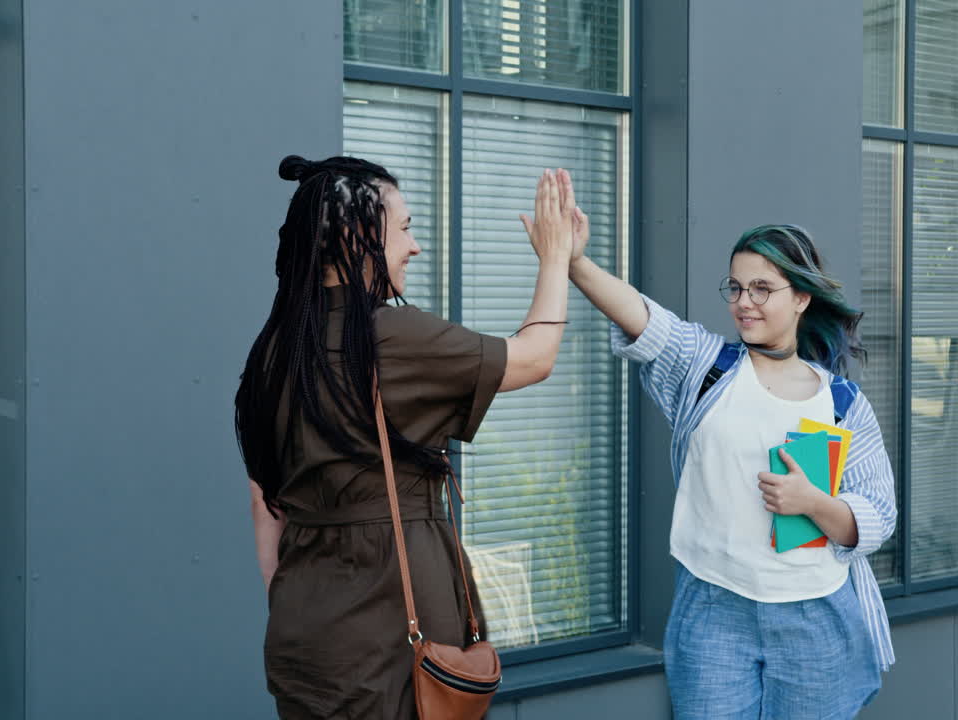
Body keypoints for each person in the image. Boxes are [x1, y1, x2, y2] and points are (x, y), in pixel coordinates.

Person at [234, 155, 574, 719]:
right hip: (392, 624)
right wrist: (556, 256)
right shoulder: (391, 336)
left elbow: (262, 498)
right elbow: (534, 359)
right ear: (358, 234)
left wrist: (292, 600)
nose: (414, 247)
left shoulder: (274, 349)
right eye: (407, 228)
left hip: (303, 626)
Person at [564, 178, 895, 719]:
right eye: (737, 288)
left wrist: (811, 502)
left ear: (802, 299)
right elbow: (645, 320)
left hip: (815, 617)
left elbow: (878, 515)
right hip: (714, 608)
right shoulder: (707, 369)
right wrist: (576, 262)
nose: (744, 303)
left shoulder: (841, 402)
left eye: (763, 289)